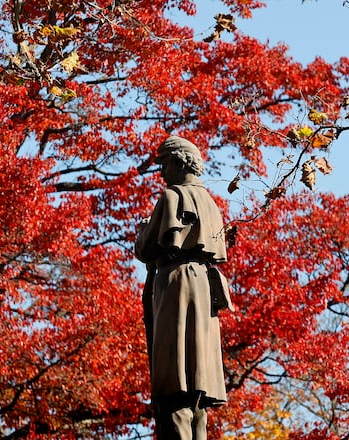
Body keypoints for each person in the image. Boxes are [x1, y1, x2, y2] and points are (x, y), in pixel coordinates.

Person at [135, 135, 231, 439]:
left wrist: (143, 231)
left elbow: (145, 249)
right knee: (197, 386)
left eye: (165, 164)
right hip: (204, 287)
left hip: (175, 284)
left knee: (173, 383)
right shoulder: (212, 205)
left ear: (179, 163)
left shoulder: (172, 197)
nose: (162, 173)